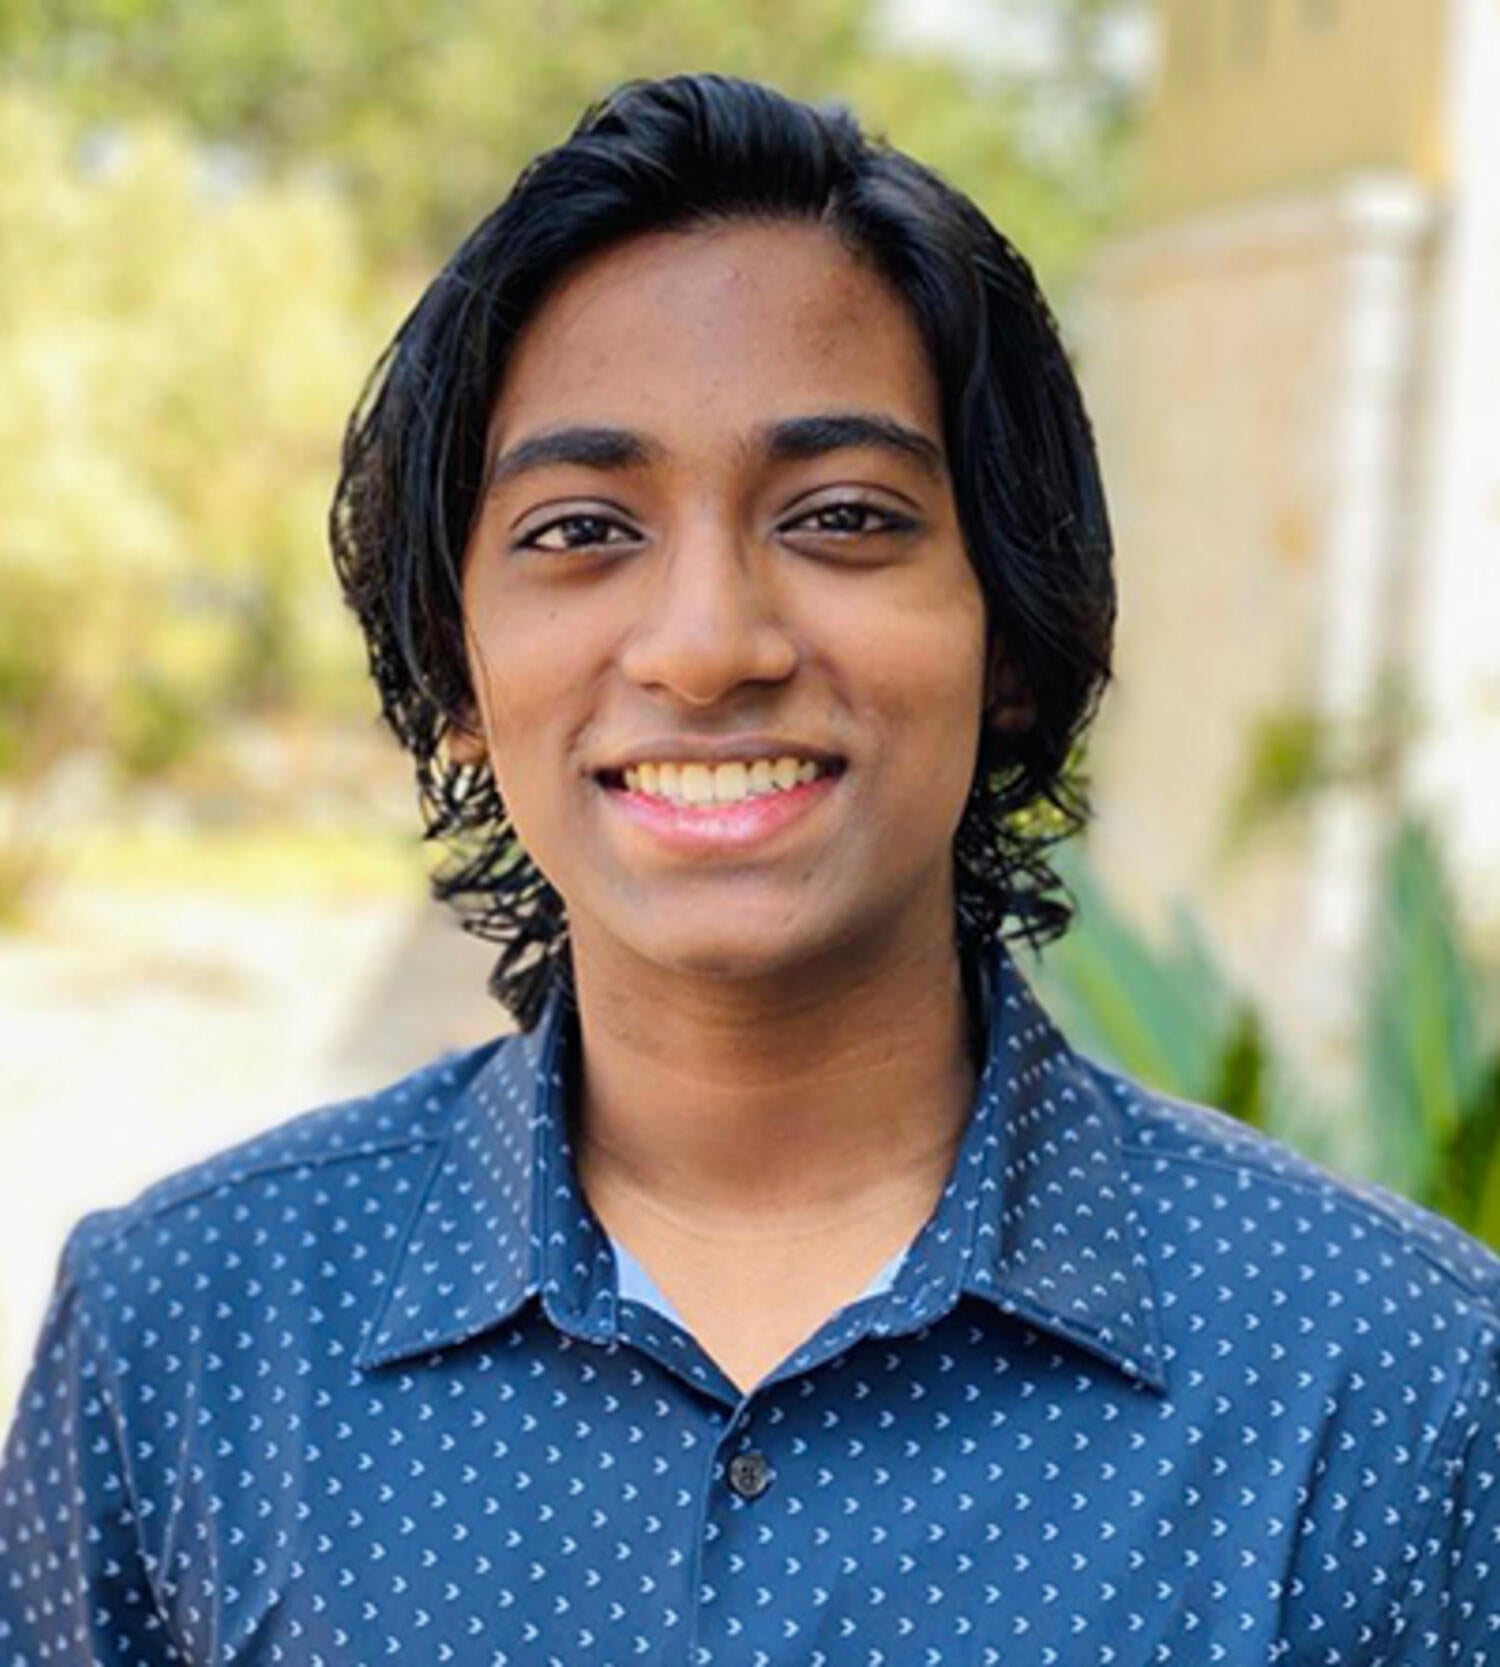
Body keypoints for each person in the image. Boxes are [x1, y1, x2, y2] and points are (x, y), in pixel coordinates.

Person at [2, 71, 1497, 1666]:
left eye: (843, 515)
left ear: (1013, 631)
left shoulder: (1388, 1376)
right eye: (583, 529)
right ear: (455, 669)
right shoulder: (189, 1331)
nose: (709, 647)